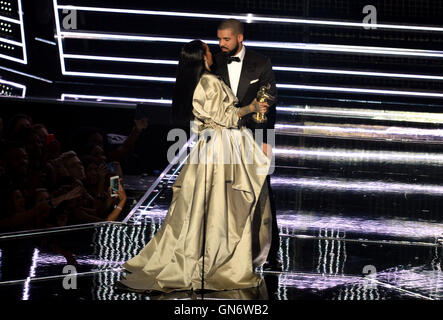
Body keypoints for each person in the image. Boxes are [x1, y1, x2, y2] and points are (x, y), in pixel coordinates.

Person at [115, 40, 272, 293]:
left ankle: (209, 254)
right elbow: (224, 117)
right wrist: (252, 107)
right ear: (201, 57)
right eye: (208, 50)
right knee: (221, 205)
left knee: (205, 205)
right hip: (221, 147)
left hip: (213, 146)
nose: (212, 52)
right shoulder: (208, 81)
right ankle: (215, 259)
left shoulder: (199, 81)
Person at [214, 19, 281, 270]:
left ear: (239, 38)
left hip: (253, 137)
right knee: (223, 193)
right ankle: (224, 250)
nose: (221, 44)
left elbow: (269, 104)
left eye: (226, 39)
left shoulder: (261, 63)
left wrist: (265, 142)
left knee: (263, 194)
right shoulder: (214, 63)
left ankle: (270, 251)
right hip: (222, 137)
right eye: (219, 39)